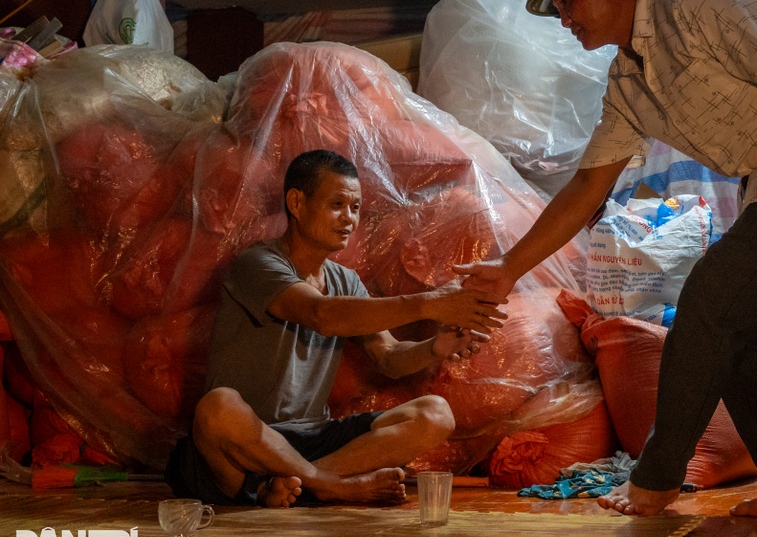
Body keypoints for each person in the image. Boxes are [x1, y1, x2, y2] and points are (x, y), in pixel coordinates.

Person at [455, 0, 757, 523]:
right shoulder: (626, 81)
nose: (565, 20)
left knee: (706, 304)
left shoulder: (700, 6)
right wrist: (508, 268)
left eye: (569, 2)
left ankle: (656, 480)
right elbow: (587, 187)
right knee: (729, 334)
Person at [165, 149, 507, 508]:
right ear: (296, 203)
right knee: (218, 408)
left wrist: (435, 347)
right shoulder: (257, 264)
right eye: (337, 204)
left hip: (313, 438)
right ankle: (328, 485)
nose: (349, 218)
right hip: (248, 441)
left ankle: (292, 485)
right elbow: (321, 314)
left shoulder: (346, 280)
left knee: (436, 414)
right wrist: (429, 303)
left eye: (355, 208)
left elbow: (389, 357)